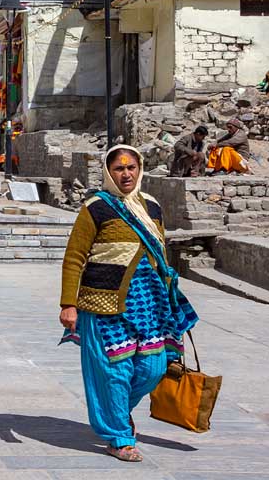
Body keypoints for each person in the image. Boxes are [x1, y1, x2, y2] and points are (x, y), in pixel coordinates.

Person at [59, 145, 198, 462]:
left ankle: (116, 411)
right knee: (115, 373)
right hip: (104, 302)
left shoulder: (152, 206)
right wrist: (69, 303)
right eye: (119, 169)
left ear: (140, 169)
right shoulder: (95, 207)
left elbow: (160, 252)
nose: (126, 174)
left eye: (132, 167)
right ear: (109, 173)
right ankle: (119, 436)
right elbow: (74, 258)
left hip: (149, 303)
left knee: (154, 368)